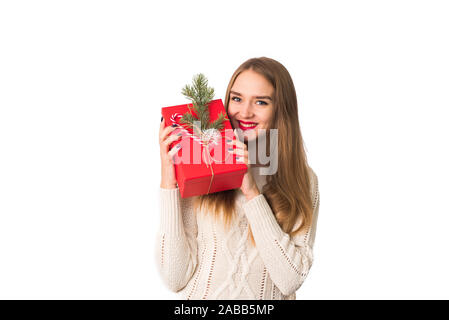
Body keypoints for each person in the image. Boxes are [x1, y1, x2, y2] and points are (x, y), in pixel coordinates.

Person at [156, 57, 320, 300]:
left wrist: (252, 190)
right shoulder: (203, 162)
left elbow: (289, 280)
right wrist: (169, 182)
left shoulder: (303, 180)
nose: (245, 112)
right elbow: (175, 277)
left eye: (261, 102)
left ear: (281, 110)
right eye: (237, 98)